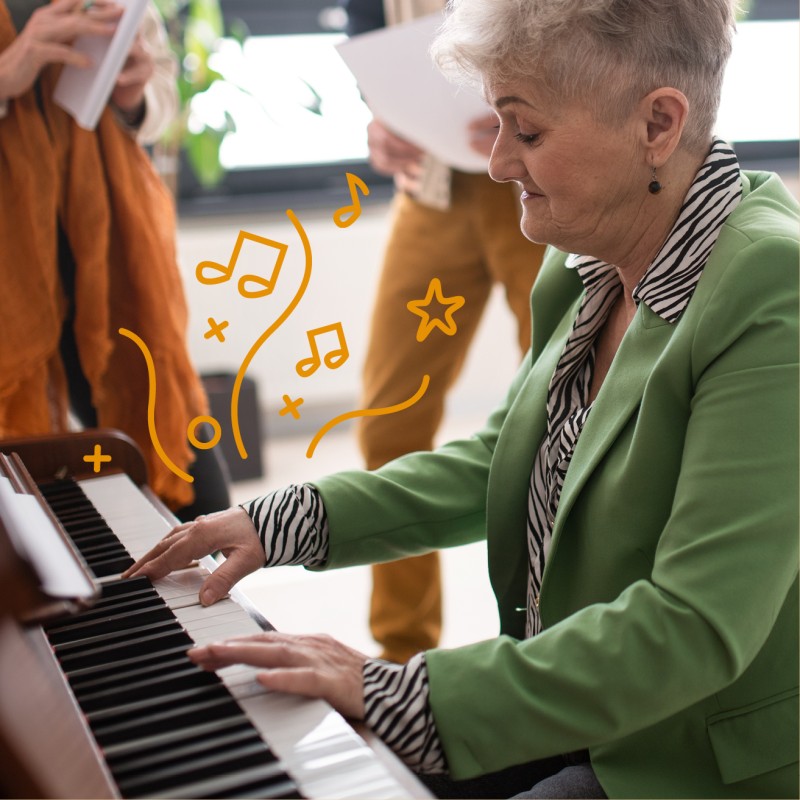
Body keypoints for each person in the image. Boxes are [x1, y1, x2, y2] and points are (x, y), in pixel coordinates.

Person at [125, 0, 799, 796]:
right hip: (577, 705)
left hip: (682, 756)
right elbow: (511, 455)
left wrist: (397, 689)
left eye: (529, 132)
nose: (498, 163)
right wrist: (282, 522)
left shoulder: (769, 290)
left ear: (658, 122)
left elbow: (692, 627)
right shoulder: (590, 258)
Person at [346, 0, 547, 664]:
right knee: (388, 418)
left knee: (556, 418)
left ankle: (543, 644)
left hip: (542, 174)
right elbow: (370, 31)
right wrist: (380, 116)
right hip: (432, 185)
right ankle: (400, 655)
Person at [0, 0, 230, 518]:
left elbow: (160, 87)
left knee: (188, 473)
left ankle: (202, 590)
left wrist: (134, 95)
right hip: (10, 264)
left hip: (103, 238)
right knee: (24, 492)